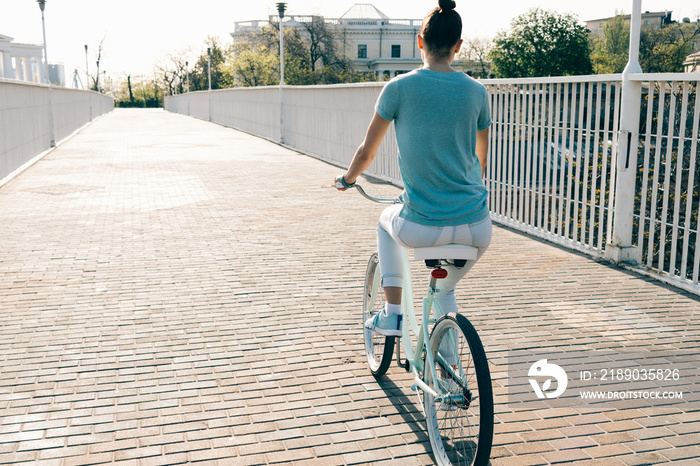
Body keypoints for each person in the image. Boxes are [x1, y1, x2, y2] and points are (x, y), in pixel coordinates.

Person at [335, 0, 492, 336]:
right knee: (445, 291)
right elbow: (481, 159)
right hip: (477, 226)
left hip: (422, 224)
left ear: (419, 41)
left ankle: (392, 315)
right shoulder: (478, 92)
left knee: (384, 223)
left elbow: (366, 153)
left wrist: (347, 180)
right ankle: (448, 372)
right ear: (458, 46)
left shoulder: (398, 88)